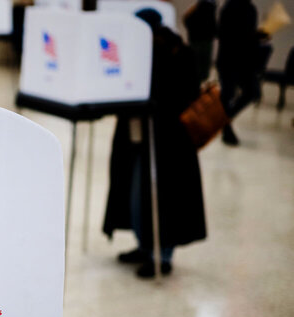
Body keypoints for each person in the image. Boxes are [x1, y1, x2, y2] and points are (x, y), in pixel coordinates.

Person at [102, 8, 207, 278]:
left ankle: (163, 254)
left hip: (167, 143)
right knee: (136, 193)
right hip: (140, 135)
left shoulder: (174, 53)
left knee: (162, 196)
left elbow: (185, 94)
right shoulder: (146, 50)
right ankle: (144, 246)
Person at [217, 0, 262, 146]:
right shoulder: (232, 7)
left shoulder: (249, 8)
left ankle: (225, 121)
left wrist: (256, 37)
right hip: (230, 59)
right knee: (229, 94)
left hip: (242, 60)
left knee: (250, 92)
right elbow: (225, 33)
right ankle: (226, 126)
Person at [183, 0, 218, 85]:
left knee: (195, 66)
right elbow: (214, 27)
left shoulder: (196, 9)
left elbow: (186, 20)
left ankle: (196, 85)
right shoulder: (211, 8)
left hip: (195, 40)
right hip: (206, 41)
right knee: (203, 67)